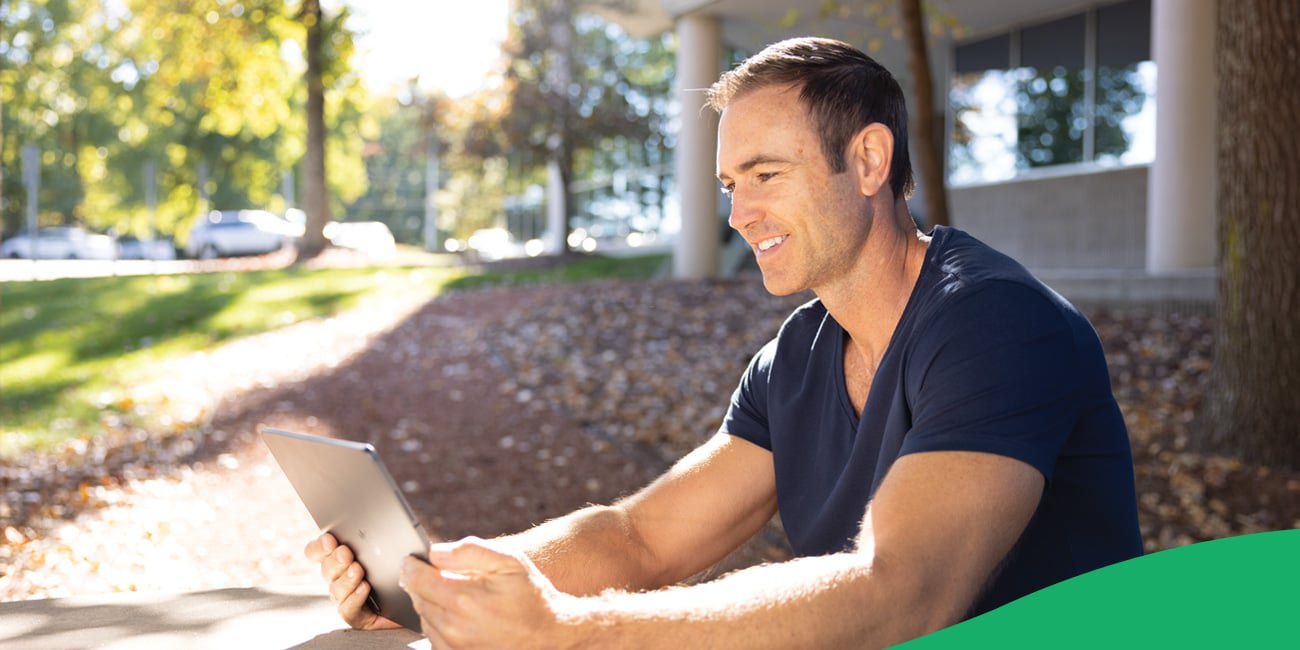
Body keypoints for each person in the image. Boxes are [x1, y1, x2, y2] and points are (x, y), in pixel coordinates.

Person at [306, 36, 1142, 648]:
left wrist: (573, 634)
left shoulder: (995, 322)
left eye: (766, 175)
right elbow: (643, 539)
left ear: (869, 160)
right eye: (731, 185)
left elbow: (905, 592)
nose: (739, 215)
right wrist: (439, 582)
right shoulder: (797, 359)